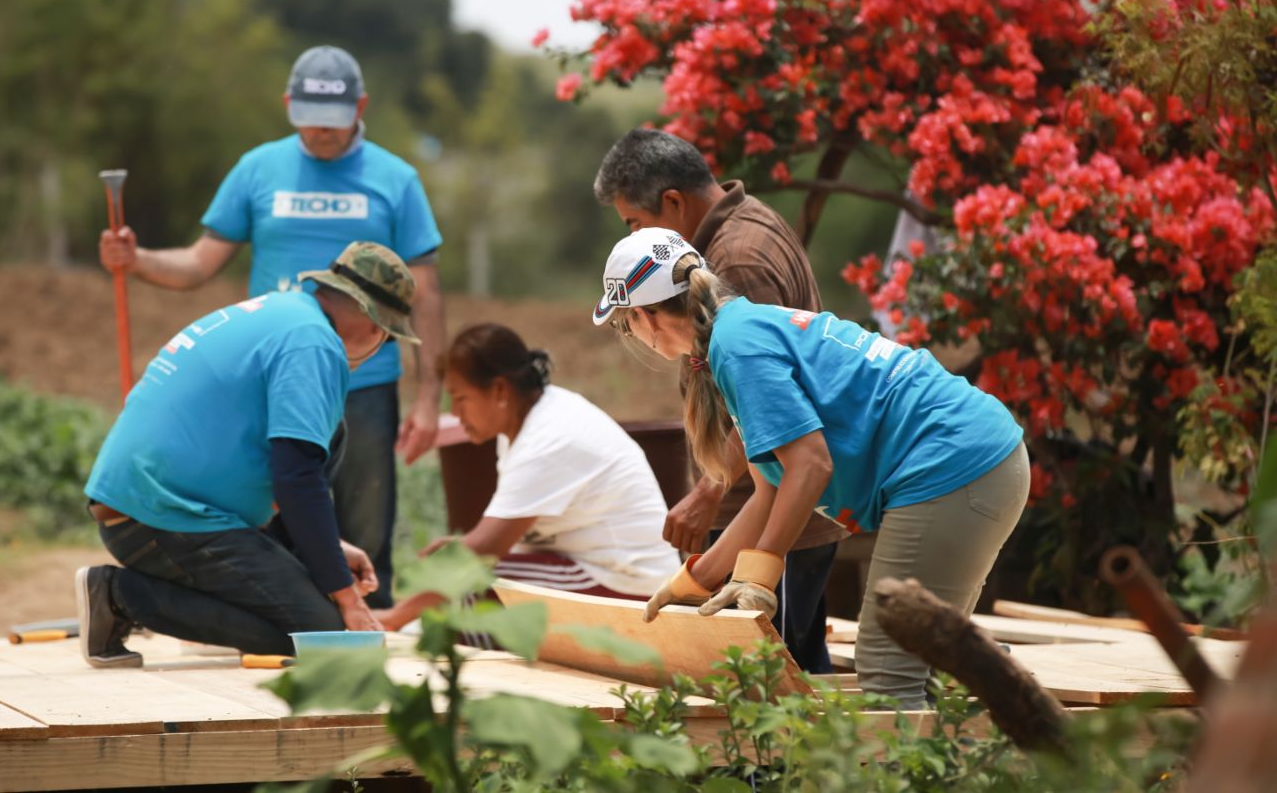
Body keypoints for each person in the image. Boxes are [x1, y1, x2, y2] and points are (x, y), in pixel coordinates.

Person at [593, 228, 1030, 708]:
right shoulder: (737, 333)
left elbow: (811, 465)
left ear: (643, 314)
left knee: (887, 668)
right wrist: (692, 583)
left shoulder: (738, 348)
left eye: (623, 323)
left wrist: (759, 575)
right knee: (924, 661)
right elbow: (769, 494)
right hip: (975, 460)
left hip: (955, 465)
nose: (630, 333)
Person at [97, 45, 444, 608]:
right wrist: (136, 261)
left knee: (365, 522)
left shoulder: (396, 179)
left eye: (333, 121)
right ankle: (279, 608)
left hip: (366, 381)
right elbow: (199, 263)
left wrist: (430, 395)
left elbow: (424, 295)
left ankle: (365, 619)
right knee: (272, 507)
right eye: (308, 118)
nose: (321, 133)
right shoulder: (258, 168)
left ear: (361, 106)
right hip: (274, 378)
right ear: (288, 104)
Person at [75, 242, 419, 667]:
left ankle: (180, 606)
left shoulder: (285, 312)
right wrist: (347, 599)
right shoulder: (314, 345)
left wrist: (328, 549)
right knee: (320, 636)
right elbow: (296, 477)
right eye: (388, 335)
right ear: (375, 324)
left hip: (147, 505)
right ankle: (121, 596)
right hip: (163, 515)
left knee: (332, 433)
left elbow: (282, 466)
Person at [592, 127, 844, 672]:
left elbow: (771, 401)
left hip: (779, 508)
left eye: (635, 223)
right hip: (772, 499)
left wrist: (710, 490)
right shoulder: (742, 228)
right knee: (787, 673)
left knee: (771, 677)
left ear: (673, 203)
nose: (635, 237)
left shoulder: (738, 259)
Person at [373, 323, 680, 631]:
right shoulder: (529, 423)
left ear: (499, 390)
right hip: (600, 572)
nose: (456, 411)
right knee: (453, 584)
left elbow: (483, 549)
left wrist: (395, 616)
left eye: (461, 398)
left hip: (628, 586)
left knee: (468, 588)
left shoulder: (547, 439)